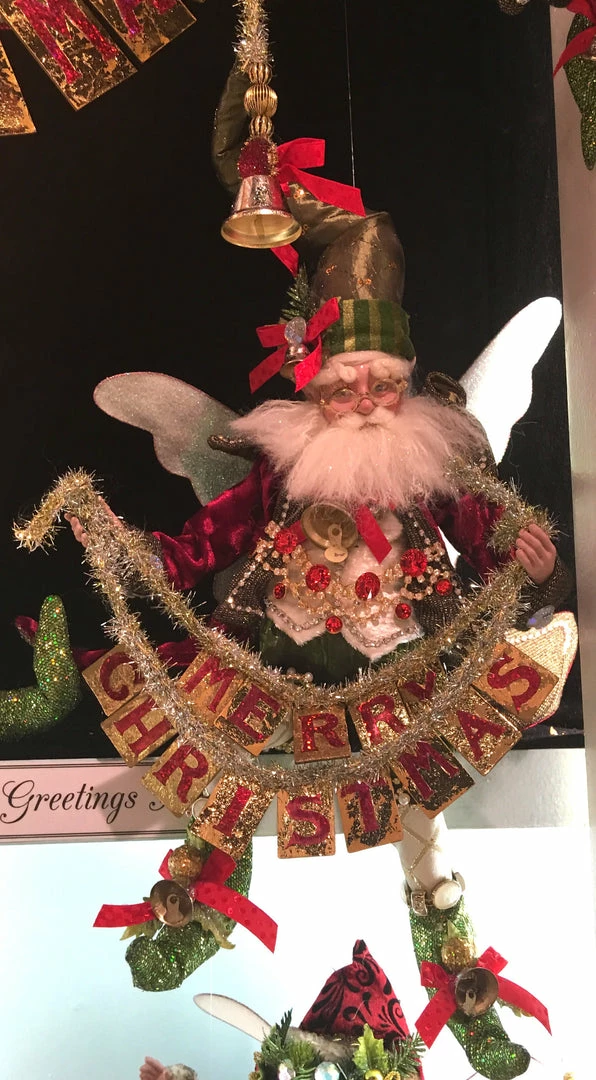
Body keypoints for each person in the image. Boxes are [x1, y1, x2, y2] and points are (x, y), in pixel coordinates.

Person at [67, 68, 571, 1080]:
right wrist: (143, 554)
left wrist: (529, 556)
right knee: (228, 783)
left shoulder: (434, 470)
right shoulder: (277, 469)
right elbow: (206, 540)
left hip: (405, 681)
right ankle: (196, 905)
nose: (369, 401)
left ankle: (459, 992)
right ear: (317, 385)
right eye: (349, 385)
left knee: (426, 842)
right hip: (275, 668)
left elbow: (486, 536)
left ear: (406, 381)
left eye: (384, 383)